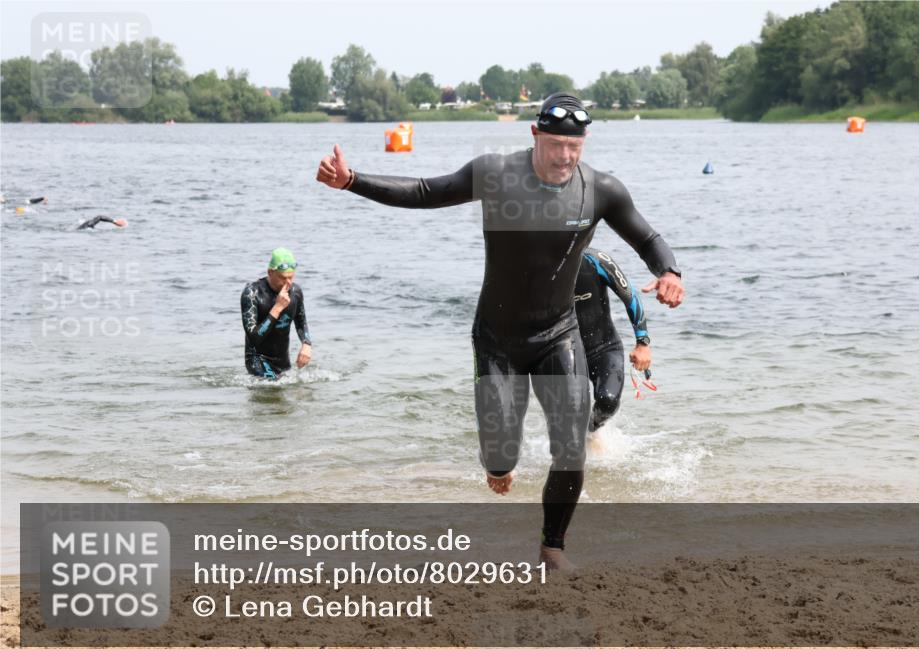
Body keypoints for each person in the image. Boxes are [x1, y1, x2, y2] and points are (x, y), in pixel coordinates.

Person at [316, 92, 684, 569]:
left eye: (574, 147)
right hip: (498, 340)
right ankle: (498, 464)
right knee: (499, 456)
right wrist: (352, 181)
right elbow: (426, 192)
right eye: (555, 145)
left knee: (571, 447)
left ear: (584, 142)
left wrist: (670, 271)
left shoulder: (601, 190)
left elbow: (648, 238)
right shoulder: (497, 174)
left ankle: (553, 547)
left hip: (559, 334)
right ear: (534, 135)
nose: (565, 157)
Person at [575, 248, 652, 454]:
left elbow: (630, 296)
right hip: (565, 354)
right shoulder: (539, 267)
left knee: (608, 401)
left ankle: (591, 432)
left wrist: (642, 342)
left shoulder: (595, 259)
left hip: (604, 347)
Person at [240, 248, 313, 379]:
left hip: (283, 361)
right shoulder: (252, 293)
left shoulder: (295, 292)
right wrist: (278, 307)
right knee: (271, 388)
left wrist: (306, 344)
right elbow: (254, 338)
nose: (288, 283)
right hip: (258, 360)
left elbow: (301, 323)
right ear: (270, 272)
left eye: (291, 277)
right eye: (283, 278)